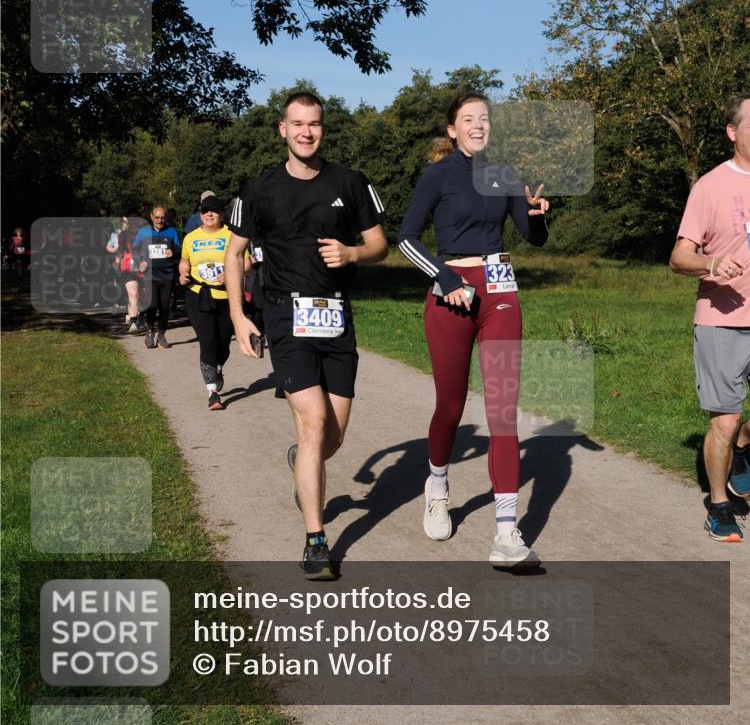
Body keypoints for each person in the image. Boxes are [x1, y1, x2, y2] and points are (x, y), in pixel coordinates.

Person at [225, 91, 388, 579]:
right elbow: (235, 255)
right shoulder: (258, 190)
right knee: (315, 423)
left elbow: (381, 243)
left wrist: (353, 254)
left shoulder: (351, 183)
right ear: (282, 129)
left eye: (314, 124)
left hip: (336, 319)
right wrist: (239, 316)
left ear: (323, 128)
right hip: (284, 316)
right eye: (297, 124)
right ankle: (316, 541)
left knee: (330, 437)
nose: (306, 132)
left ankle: (303, 461)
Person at [398, 93, 549, 566]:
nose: (478, 125)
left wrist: (541, 215)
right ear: (452, 130)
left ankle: (507, 534)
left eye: (484, 118)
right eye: (468, 119)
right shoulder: (438, 176)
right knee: (452, 404)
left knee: (503, 410)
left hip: (500, 292)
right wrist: (445, 278)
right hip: (451, 292)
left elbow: (532, 236)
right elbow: (405, 238)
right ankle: (438, 486)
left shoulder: (504, 175)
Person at [669, 95, 750, 542]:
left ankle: (742, 449)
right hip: (723, 319)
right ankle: (719, 504)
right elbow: (679, 256)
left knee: (736, 427)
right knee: (724, 419)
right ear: (733, 133)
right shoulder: (711, 187)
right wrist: (711, 263)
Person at [179, 195, 251, 410]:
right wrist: (182, 273)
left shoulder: (233, 235)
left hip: (227, 297)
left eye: (213, 210)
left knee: (222, 343)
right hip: (198, 295)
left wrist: (232, 273)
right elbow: (185, 261)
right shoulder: (191, 237)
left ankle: (217, 367)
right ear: (200, 215)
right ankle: (213, 392)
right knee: (207, 340)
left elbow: (246, 262)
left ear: (221, 214)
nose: (209, 214)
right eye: (205, 211)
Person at [133, 205, 180, 348]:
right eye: (157, 217)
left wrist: (173, 252)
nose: (160, 220)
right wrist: (139, 261)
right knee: (152, 305)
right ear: (151, 217)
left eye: (162, 217)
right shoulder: (143, 232)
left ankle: (161, 335)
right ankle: (149, 331)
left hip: (167, 274)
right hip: (150, 275)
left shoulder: (172, 232)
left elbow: (179, 249)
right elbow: (135, 250)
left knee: (165, 306)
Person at [115, 216, 146, 333]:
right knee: (133, 294)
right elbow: (121, 249)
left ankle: (142, 317)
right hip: (128, 268)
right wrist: (118, 259)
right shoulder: (123, 235)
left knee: (143, 296)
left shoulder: (145, 234)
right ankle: (133, 322)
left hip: (144, 268)